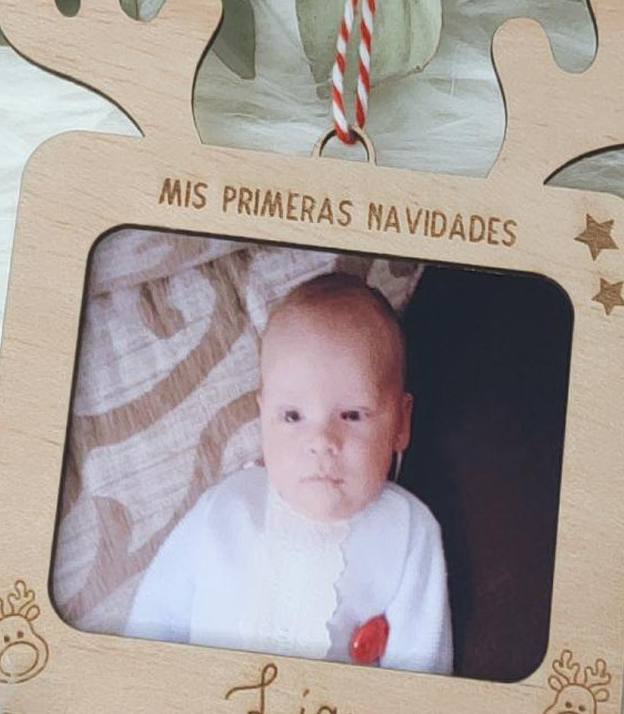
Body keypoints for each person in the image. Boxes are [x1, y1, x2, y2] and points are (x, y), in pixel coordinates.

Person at [123, 273, 454, 675]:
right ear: (264, 416)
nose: (322, 441)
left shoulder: (409, 531)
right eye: (293, 416)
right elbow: (154, 617)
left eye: (352, 415)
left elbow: (423, 664)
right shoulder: (226, 506)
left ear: (401, 422)